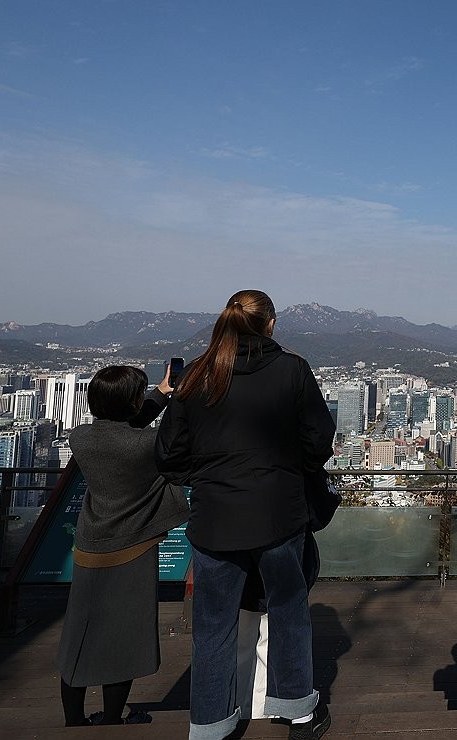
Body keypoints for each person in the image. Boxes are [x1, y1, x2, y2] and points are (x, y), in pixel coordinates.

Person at [156, 290, 335, 740]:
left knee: (213, 624)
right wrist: (290, 468)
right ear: (270, 324)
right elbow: (318, 441)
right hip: (279, 513)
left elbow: (169, 456)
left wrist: (209, 476)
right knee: (289, 609)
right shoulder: (292, 369)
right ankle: (297, 709)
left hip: (215, 517)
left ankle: (211, 723)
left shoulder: (196, 376)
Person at [57, 365, 189, 726]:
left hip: (90, 547)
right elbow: (149, 438)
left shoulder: (80, 438)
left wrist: (159, 393)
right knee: (125, 637)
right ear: (133, 402)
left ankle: (73, 720)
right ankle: (113, 717)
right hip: (134, 547)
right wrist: (176, 398)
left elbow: (121, 428)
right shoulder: (148, 445)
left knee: (79, 636)